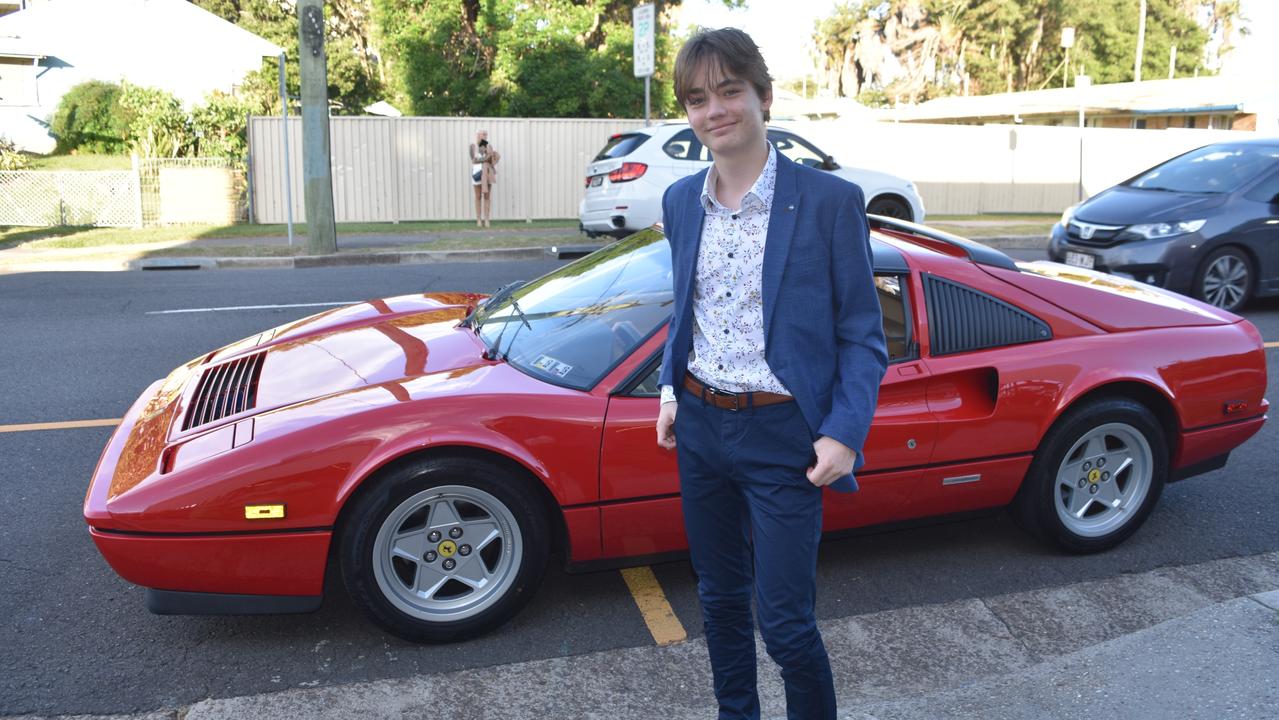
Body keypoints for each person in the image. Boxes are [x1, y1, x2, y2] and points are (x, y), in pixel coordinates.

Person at [654, 28, 887, 720]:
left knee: (783, 623)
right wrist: (671, 388)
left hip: (782, 433)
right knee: (719, 603)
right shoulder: (678, 203)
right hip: (699, 427)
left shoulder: (827, 201)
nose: (713, 110)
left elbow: (862, 337)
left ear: (763, 97)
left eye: (729, 91)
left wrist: (843, 432)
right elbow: (685, 309)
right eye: (697, 99)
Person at [469, 130, 500, 227]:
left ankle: (487, 219)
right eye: (483, 134)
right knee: (478, 196)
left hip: (487, 174)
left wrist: (493, 157)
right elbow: (474, 160)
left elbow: (491, 159)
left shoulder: (488, 146)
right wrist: (486, 158)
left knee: (487, 197)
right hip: (477, 174)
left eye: (486, 134)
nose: (485, 136)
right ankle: (478, 219)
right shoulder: (473, 146)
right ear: (478, 135)